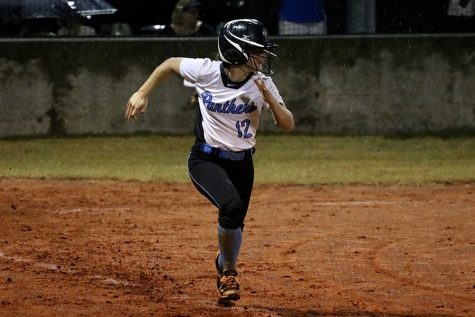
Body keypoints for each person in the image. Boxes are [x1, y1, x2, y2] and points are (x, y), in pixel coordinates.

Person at [125, 19, 294, 301]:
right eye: (257, 50)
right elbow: (169, 63)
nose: (263, 56)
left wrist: (271, 101)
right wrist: (143, 92)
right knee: (231, 206)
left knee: (235, 221)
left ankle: (221, 264)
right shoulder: (206, 71)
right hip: (206, 159)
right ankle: (229, 273)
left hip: (243, 164)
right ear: (237, 52)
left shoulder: (262, 83)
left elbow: (287, 124)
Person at [142, 0, 214, 36]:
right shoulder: (168, 31)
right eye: (191, 12)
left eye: (196, 12)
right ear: (180, 13)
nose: (195, 15)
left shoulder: (204, 29)